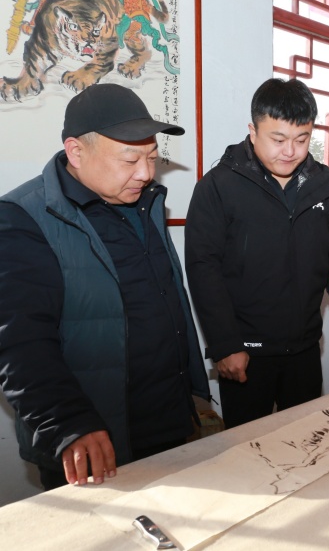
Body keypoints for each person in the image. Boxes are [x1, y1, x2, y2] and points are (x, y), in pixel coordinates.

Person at [0, 84, 211, 489]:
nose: (146, 173)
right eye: (130, 159)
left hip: (166, 421)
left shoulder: (144, 201)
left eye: (152, 158)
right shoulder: (24, 218)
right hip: (96, 436)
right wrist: (68, 423)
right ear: (77, 152)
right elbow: (19, 342)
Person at [185, 78, 329, 429]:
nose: (290, 151)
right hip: (246, 353)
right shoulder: (219, 186)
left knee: (307, 441)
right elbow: (203, 268)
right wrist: (224, 345)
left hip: (305, 347)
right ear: (253, 130)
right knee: (246, 453)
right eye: (278, 139)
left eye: (302, 139)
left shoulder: (320, 185)